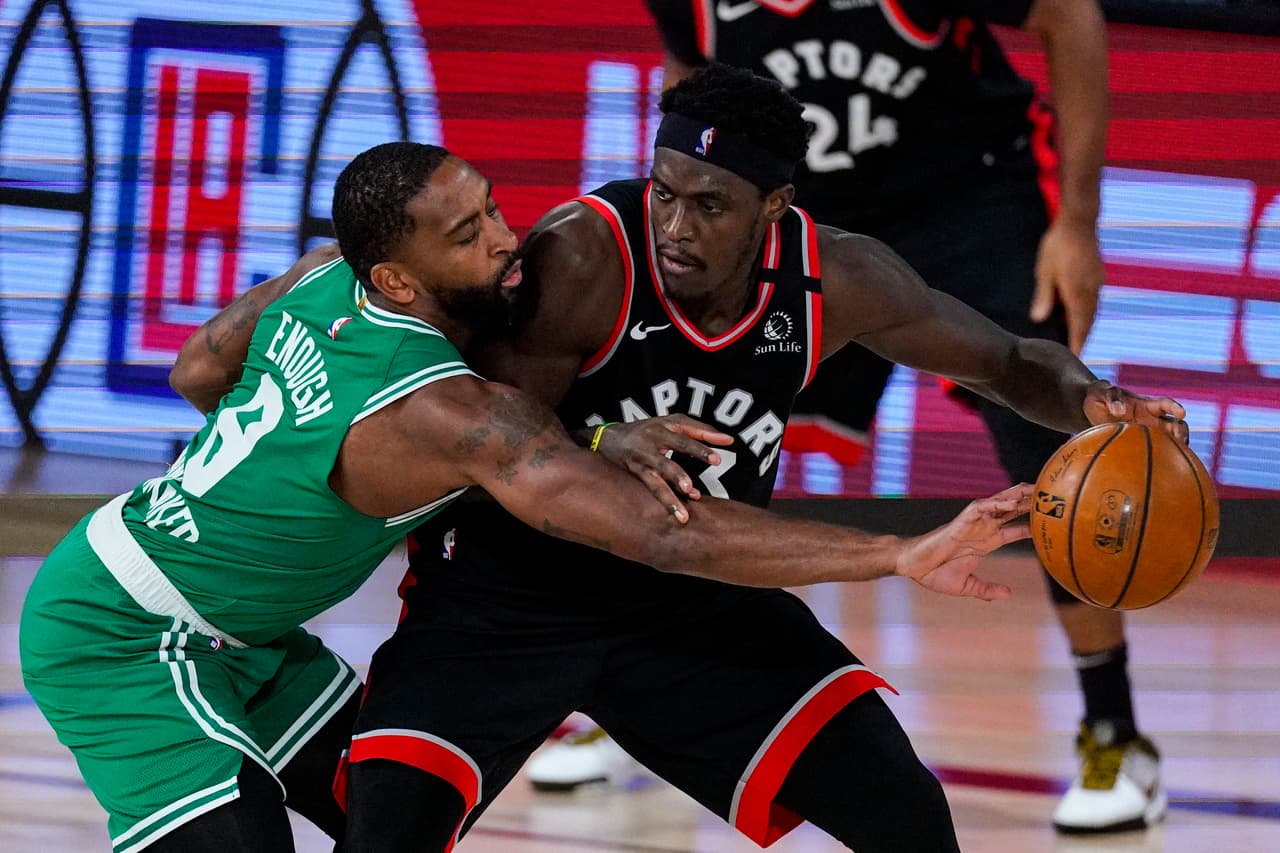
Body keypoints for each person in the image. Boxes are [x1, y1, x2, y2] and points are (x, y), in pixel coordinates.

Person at [29, 138, 1040, 852]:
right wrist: (895, 552)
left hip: (241, 628)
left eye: (492, 208)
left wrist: (293, 435)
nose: (505, 241)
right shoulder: (449, 413)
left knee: (379, 825)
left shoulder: (321, 276)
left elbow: (199, 370)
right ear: (395, 280)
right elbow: (656, 530)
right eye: (465, 235)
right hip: (123, 633)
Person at [580, 0, 1162, 835]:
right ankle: (622, 688)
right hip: (785, 209)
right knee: (680, 421)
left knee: (1053, 447)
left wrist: (1078, 223)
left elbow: (1071, 16)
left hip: (962, 200)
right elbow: (691, 88)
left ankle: (1115, 730)